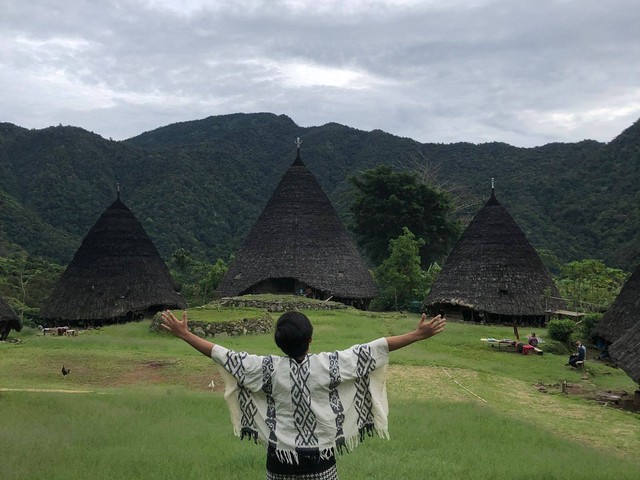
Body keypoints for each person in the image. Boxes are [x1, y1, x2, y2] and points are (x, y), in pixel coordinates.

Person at [161, 310, 446, 480]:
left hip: (279, 462)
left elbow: (222, 354)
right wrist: (417, 335)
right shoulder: (328, 365)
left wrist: (185, 334)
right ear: (310, 340)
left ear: (278, 343)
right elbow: (373, 349)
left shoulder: (266, 369)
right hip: (320, 461)